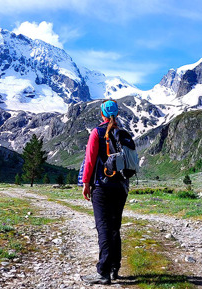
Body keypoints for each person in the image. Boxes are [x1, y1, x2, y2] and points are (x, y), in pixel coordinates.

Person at [81, 99, 128, 285]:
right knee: (115, 227)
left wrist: (86, 183)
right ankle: (115, 268)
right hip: (121, 188)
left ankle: (103, 272)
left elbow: (90, 161)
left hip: (102, 187)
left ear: (102, 114)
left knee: (104, 228)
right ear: (117, 114)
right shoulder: (123, 133)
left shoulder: (97, 132)